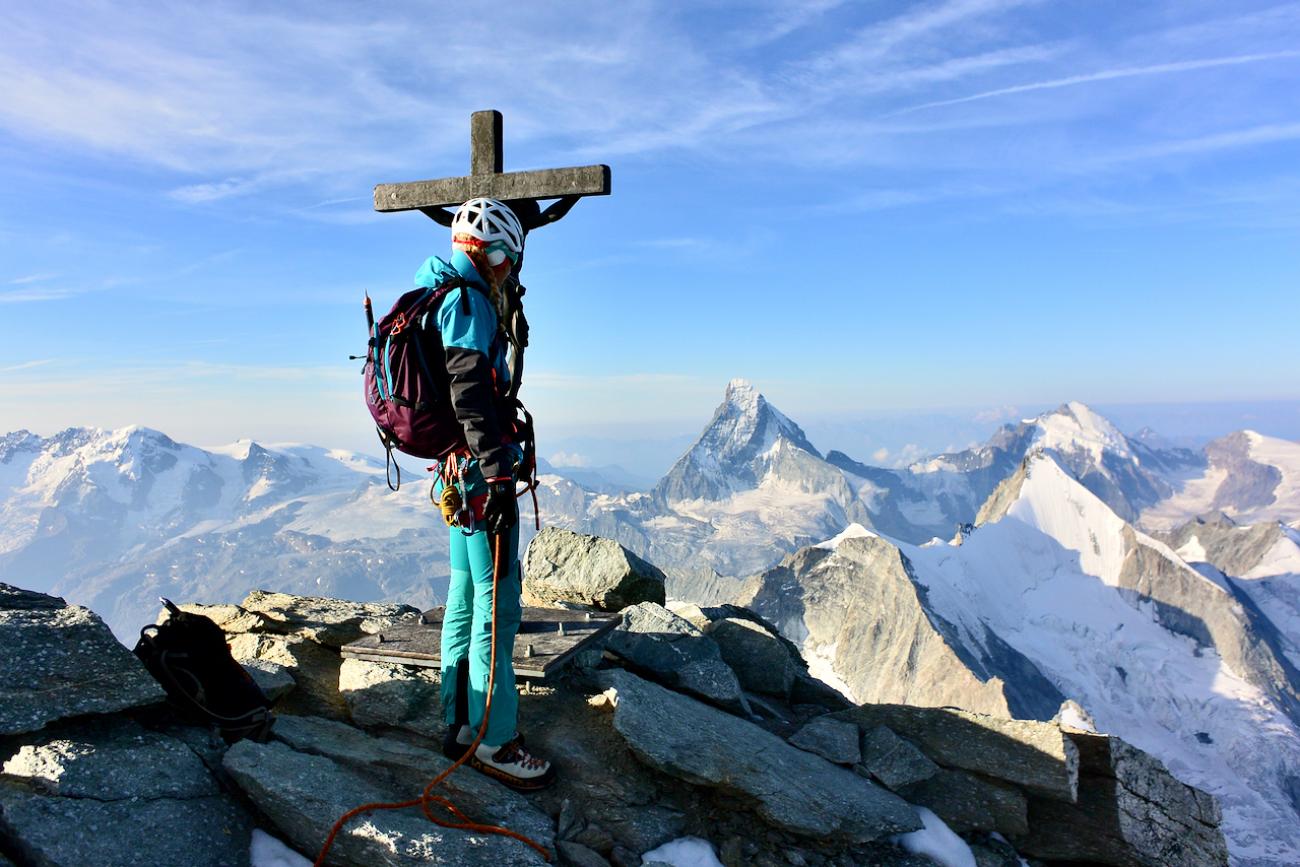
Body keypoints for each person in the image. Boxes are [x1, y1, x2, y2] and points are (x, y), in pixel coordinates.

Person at [414, 196, 554, 791]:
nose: (508, 270)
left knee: (464, 593)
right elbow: (470, 393)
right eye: (506, 259)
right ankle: (495, 741)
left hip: (453, 471)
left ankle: (457, 719)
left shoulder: (434, 290)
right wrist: (499, 475)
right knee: (497, 607)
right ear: (494, 252)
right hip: (479, 477)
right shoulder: (468, 301)